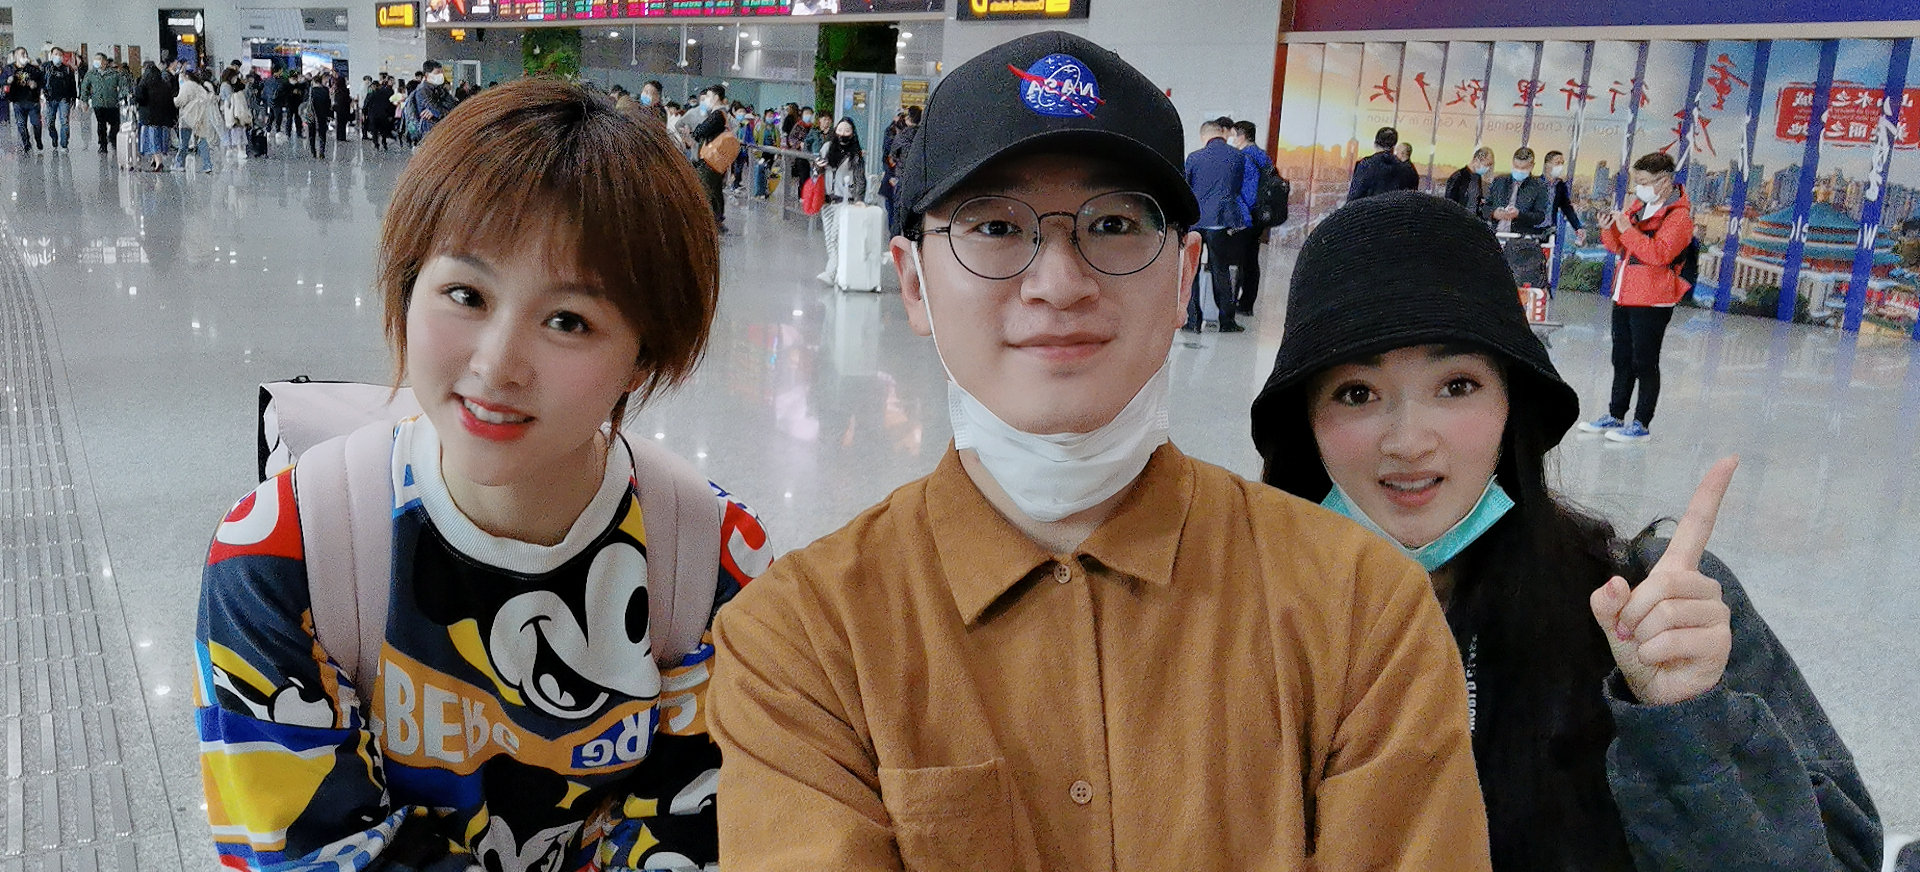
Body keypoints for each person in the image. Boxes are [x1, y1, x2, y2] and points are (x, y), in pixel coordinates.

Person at [707, 31, 1492, 872]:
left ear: (1185, 271)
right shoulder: (804, 639)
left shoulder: (1361, 611)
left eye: (1114, 224)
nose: (1059, 281)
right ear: (913, 282)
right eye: (996, 226)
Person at [196, 78, 771, 872]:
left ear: (645, 353)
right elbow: (306, 846)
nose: (497, 364)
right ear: (407, 286)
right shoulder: (276, 557)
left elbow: (699, 833)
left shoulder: (717, 565)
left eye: (569, 320)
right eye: (465, 293)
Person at [1249, 190, 1881, 872]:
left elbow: (1842, 856)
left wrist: (1688, 724)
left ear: (1511, 405)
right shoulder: (1237, 621)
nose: (1408, 441)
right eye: (1356, 393)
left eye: (1456, 385)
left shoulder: (1647, 605)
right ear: (1306, 424)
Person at [1579, 151, 1694, 444]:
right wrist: (1609, 230)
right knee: (1622, 358)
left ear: (1664, 181)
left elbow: (1659, 254)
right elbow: (1619, 247)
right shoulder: (1639, 205)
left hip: (1653, 298)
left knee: (1645, 362)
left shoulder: (1678, 216)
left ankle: (1641, 423)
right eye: (1636, 182)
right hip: (1625, 292)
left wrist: (1628, 230)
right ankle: (1615, 414)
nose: (1639, 188)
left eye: (1644, 182)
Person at [1182, 116, 1248, 333]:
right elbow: (1235, 188)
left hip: (1196, 221)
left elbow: (1187, 188)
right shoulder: (1237, 157)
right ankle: (1226, 321)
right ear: (1221, 133)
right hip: (1221, 221)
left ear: (1204, 136)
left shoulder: (1194, 157)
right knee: (1221, 270)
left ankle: (1193, 320)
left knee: (1192, 271)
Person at [814, 116, 868, 284]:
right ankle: (838, 272)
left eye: (847, 130)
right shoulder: (827, 148)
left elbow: (860, 178)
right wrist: (817, 167)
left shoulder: (855, 154)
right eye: (840, 129)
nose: (843, 133)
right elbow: (817, 172)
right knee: (829, 238)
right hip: (827, 200)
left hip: (845, 201)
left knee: (835, 237)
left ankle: (831, 273)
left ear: (852, 133)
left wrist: (859, 198)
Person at [1228, 118, 1274, 316]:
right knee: (1252, 260)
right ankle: (1247, 303)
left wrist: (1241, 217)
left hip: (1247, 214)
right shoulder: (1264, 157)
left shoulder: (1243, 157)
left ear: (1242, 136)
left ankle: (1238, 302)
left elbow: (1244, 191)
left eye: (1234, 135)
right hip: (1261, 215)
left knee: (1240, 260)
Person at [678, 84, 731, 231]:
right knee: (714, 190)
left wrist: (691, 133)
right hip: (716, 159)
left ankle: (706, 223)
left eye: (708, 97)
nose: (706, 100)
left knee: (705, 189)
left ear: (715, 97)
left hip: (710, 160)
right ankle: (716, 221)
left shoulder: (717, 115)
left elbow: (702, 130)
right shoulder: (722, 114)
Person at [1483, 146, 1551, 238]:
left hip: (1520, 239)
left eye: (1523, 168)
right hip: (1494, 235)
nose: (1519, 170)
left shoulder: (1539, 187)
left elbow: (1540, 217)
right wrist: (1494, 213)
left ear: (1532, 166)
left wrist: (1519, 214)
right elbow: (1485, 207)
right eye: (1516, 167)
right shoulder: (1499, 181)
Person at [79, 53, 130, 155]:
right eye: (95, 59)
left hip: (112, 104)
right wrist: (84, 100)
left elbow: (124, 86)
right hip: (98, 104)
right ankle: (103, 145)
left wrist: (123, 96)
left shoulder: (115, 74)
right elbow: (84, 87)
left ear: (105, 62)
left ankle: (112, 139)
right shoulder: (91, 74)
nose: (96, 62)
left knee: (115, 124)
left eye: (99, 59)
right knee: (101, 125)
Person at [1347, 126, 1416, 201]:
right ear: (1393, 147)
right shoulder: (1407, 170)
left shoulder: (1365, 165)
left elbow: (1353, 200)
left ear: (1374, 144)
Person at [131, 60, 176, 172]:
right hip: (164, 119)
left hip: (149, 119)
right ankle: (154, 160)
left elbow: (139, 99)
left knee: (152, 140)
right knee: (161, 140)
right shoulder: (165, 85)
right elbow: (170, 102)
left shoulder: (143, 85)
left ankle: (158, 161)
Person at [172, 67, 219, 173]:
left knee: (184, 143)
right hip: (200, 118)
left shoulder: (187, 85)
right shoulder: (200, 86)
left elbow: (180, 101)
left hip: (187, 118)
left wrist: (173, 100)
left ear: (186, 76)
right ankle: (207, 165)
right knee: (202, 141)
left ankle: (180, 164)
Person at [404, 60, 458, 143]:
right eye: (437, 73)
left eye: (441, 72)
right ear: (427, 75)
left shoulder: (440, 89)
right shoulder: (422, 91)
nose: (441, 75)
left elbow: (454, 105)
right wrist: (440, 109)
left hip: (440, 132)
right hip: (428, 135)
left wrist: (438, 108)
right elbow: (439, 112)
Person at [6, 47, 46, 153]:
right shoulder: (9, 69)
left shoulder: (33, 69)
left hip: (32, 102)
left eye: (25, 54)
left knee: (36, 124)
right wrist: (7, 80)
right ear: (15, 57)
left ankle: (38, 140)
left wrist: (36, 85)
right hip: (18, 102)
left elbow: (42, 80)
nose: (24, 56)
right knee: (21, 125)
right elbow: (2, 80)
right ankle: (26, 143)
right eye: (21, 54)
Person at [41, 48, 78, 150]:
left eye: (60, 55)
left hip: (64, 99)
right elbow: (41, 81)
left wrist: (74, 98)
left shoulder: (67, 69)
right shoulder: (45, 67)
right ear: (51, 55)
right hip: (50, 98)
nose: (58, 56)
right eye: (56, 54)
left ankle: (64, 144)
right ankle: (54, 138)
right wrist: (42, 93)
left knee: (64, 122)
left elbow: (72, 85)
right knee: (50, 122)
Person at [1446, 146, 1495, 220]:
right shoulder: (1457, 177)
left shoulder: (1477, 178)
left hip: (1472, 223)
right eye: (1486, 165)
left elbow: (1475, 202)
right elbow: (1449, 204)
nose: (1487, 169)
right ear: (1476, 160)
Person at [1543, 149, 1583, 234]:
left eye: (1562, 163)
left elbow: (1567, 208)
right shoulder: (1535, 184)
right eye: (1557, 163)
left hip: (1549, 231)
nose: (1560, 166)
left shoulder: (1560, 185)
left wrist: (1578, 227)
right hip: (1532, 231)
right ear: (1547, 165)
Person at [307, 72, 334, 158]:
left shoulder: (311, 91)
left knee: (312, 134)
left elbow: (306, 104)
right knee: (322, 133)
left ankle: (313, 151)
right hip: (322, 115)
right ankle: (322, 151)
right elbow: (328, 104)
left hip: (312, 115)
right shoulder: (325, 90)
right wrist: (329, 115)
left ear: (314, 81)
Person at [364, 74, 395, 151]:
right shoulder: (386, 94)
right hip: (383, 115)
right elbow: (390, 105)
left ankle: (376, 144)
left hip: (373, 115)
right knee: (383, 130)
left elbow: (366, 104)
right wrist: (390, 114)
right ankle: (384, 142)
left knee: (375, 130)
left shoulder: (371, 94)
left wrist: (365, 113)